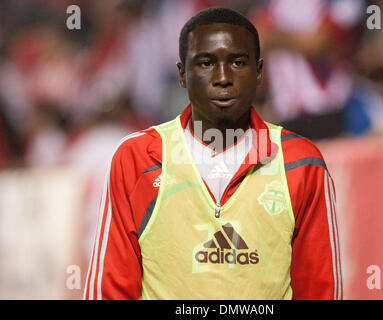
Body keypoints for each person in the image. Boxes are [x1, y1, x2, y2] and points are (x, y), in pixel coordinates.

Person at [83, 7, 342, 300]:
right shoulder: (137, 158)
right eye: (206, 63)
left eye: (238, 63)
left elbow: (321, 290)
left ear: (259, 72)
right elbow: (110, 291)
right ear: (182, 75)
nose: (222, 77)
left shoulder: (301, 163)